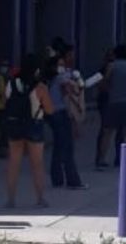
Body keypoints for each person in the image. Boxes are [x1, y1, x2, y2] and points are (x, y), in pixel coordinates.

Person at [4, 54, 53, 208]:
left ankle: (11, 199)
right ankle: (40, 198)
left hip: (15, 124)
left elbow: (7, 102)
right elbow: (50, 109)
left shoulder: (11, 83)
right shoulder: (40, 87)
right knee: (37, 164)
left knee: (14, 162)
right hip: (34, 125)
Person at [45, 52, 88, 190]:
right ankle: (72, 180)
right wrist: (76, 79)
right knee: (67, 147)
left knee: (58, 146)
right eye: (60, 65)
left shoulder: (49, 79)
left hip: (52, 113)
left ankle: (57, 178)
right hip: (60, 113)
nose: (62, 68)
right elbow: (75, 89)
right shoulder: (60, 79)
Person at [97, 44, 126, 170]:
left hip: (114, 102)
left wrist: (108, 90)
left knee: (107, 132)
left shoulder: (112, 66)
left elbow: (105, 82)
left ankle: (102, 159)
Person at [95, 49, 122, 168]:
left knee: (107, 130)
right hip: (109, 101)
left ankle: (105, 157)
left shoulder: (106, 70)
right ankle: (113, 157)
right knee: (111, 130)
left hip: (107, 101)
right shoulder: (110, 70)